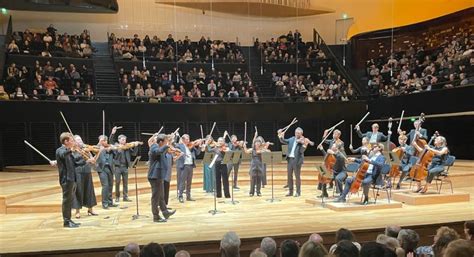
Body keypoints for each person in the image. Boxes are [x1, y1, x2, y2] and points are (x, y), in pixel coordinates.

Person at [54, 132, 82, 228]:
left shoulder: (68, 150)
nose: (73, 142)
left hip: (72, 178)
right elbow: (63, 155)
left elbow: (75, 162)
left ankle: (69, 219)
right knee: (66, 201)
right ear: (66, 141)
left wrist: (87, 160)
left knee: (70, 200)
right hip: (66, 180)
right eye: (71, 140)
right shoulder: (60, 150)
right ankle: (66, 221)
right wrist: (71, 149)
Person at [147, 134, 176, 222]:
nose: (167, 144)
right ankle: (156, 216)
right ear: (160, 142)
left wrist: (169, 140)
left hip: (159, 175)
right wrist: (167, 145)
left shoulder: (161, 147)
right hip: (154, 176)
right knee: (155, 197)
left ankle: (165, 212)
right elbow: (158, 152)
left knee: (161, 196)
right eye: (165, 142)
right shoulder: (154, 147)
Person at [110, 126, 142, 202]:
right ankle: (117, 197)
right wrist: (112, 133)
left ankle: (125, 196)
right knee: (117, 182)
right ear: (119, 140)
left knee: (125, 183)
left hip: (125, 167)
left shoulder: (127, 147)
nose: (124, 141)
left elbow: (134, 154)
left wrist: (136, 146)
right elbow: (111, 141)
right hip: (117, 167)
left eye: (125, 139)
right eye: (122, 139)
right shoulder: (116, 146)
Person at [71, 135, 98, 219]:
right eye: (77, 140)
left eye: (80, 140)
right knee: (78, 191)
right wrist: (87, 160)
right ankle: (77, 211)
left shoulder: (86, 150)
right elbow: (73, 162)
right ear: (74, 142)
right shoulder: (72, 151)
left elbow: (91, 159)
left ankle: (90, 209)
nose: (80, 141)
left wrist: (93, 159)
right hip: (78, 172)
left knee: (89, 190)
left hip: (87, 171)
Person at [278, 127, 309, 197]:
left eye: (298, 133)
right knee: (289, 176)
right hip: (290, 160)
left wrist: (304, 145)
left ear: (301, 134)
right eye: (296, 133)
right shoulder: (292, 139)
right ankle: (290, 191)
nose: (296, 134)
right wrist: (280, 135)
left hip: (297, 160)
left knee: (297, 177)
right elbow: (283, 141)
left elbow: (301, 151)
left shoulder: (302, 141)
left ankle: (298, 192)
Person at [175, 134, 202, 203]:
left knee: (189, 182)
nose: (188, 141)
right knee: (182, 182)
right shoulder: (180, 146)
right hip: (184, 166)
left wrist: (199, 146)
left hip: (190, 165)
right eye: (186, 139)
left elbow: (198, 153)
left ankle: (188, 196)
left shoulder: (191, 147)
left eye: (188, 139)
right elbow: (175, 147)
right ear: (183, 140)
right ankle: (180, 196)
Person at [95, 135, 117, 209]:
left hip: (110, 168)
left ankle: (110, 202)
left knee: (110, 185)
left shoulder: (109, 147)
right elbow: (94, 150)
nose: (104, 142)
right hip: (102, 169)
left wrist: (112, 148)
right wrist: (99, 144)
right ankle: (105, 203)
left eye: (105, 140)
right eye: (102, 140)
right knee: (105, 186)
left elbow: (116, 154)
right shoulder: (98, 148)